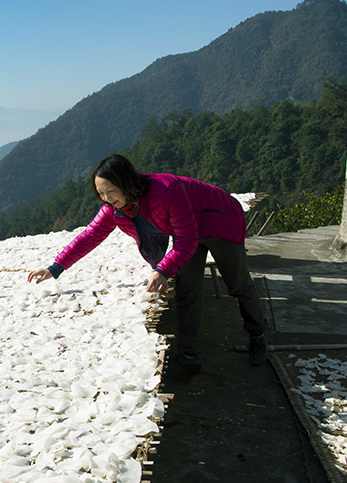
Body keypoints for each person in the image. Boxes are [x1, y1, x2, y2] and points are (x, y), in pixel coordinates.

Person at [28, 154, 267, 376]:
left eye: (111, 191)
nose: (107, 198)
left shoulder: (166, 192)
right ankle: (189, 356)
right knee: (187, 291)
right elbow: (91, 235)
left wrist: (163, 270)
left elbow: (187, 240)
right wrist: (55, 267)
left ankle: (258, 334)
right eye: (101, 193)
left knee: (237, 284)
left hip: (220, 222)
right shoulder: (115, 208)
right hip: (190, 229)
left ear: (127, 183)